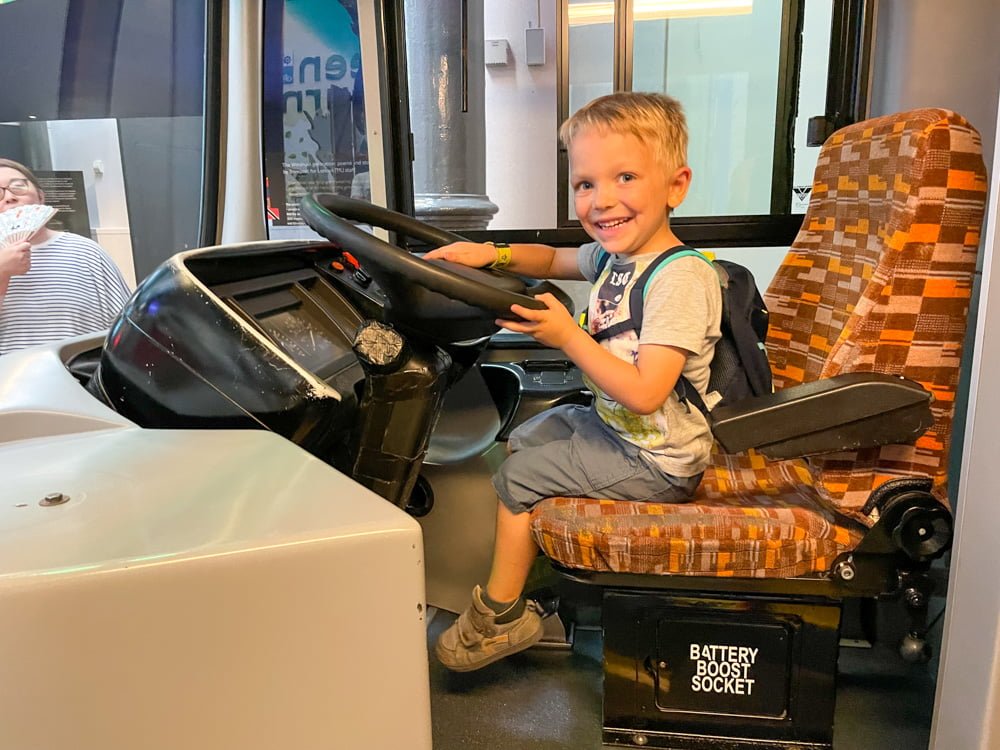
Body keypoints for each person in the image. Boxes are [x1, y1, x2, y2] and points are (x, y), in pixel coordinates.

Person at [424, 92, 723, 672]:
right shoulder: (617, 257)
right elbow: (553, 259)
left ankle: (503, 616)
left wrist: (568, 337)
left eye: (625, 177)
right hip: (620, 430)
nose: (601, 200)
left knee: (516, 478)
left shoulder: (679, 280)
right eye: (585, 184)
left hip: (658, 459)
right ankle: (537, 580)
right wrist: (492, 254)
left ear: (676, 186)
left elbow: (644, 392)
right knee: (526, 437)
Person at [0, 158, 132, 355]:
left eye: (18, 186)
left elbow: (126, 323)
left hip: (80, 378)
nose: (9, 197)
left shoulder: (87, 252)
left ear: (41, 197)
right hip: (12, 381)